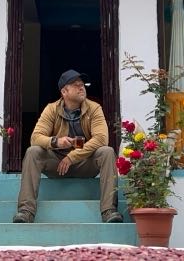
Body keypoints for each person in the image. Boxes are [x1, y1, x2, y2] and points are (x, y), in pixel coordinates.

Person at [13, 69, 123, 224]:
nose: (82, 88)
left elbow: (101, 138)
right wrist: (56, 142)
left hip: (84, 163)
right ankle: (25, 211)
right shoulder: (51, 109)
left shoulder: (94, 108)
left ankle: (109, 210)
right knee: (33, 152)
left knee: (107, 152)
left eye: (82, 85)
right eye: (76, 85)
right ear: (64, 91)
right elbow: (35, 137)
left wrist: (72, 157)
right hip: (57, 164)